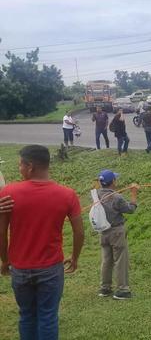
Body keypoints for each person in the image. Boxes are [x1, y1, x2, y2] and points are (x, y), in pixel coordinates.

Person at [0, 145, 84, 339]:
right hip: (51, 268)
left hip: (20, 268)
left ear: (30, 166)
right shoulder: (67, 194)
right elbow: (79, 232)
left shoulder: (8, 193)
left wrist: (5, 260)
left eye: (20, 165)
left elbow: (2, 232)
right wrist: (75, 257)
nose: (19, 169)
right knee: (48, 316)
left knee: (27, 315)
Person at [96, 170, 139, 300]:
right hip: (116, 232)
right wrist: (133, 193)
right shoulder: (117, 197)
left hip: (103, 232)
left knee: (106, 260)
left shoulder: (96, 195)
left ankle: (105, 288)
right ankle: (122, 289)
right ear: (113, 182)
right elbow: (130, 209)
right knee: (120, 260)